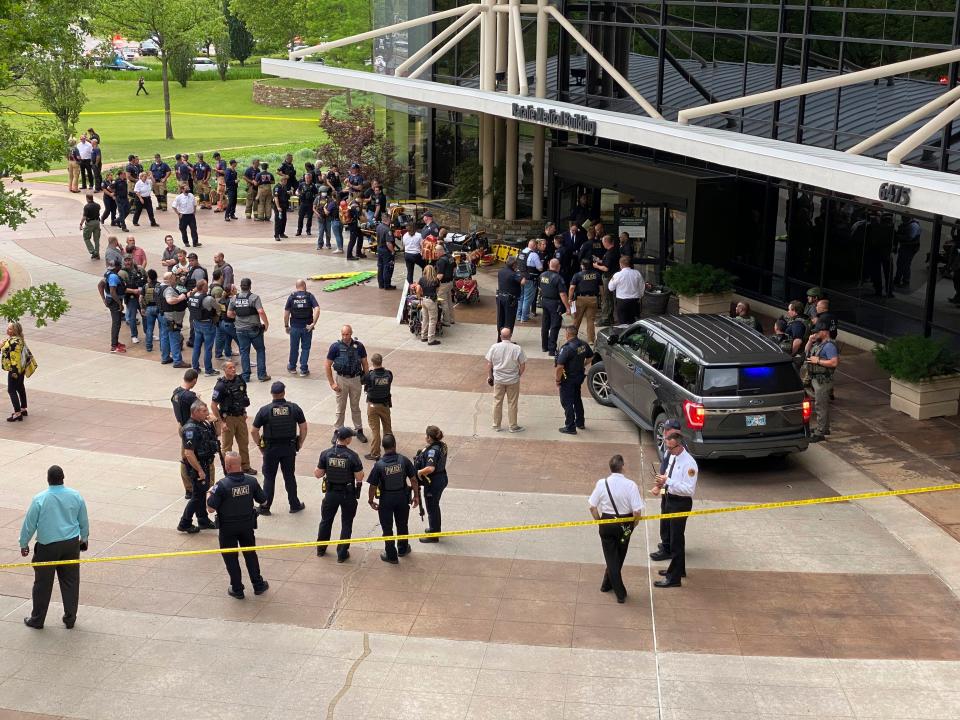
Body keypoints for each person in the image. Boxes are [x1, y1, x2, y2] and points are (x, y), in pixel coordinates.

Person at [19, 466, 89, 629]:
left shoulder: (40, 499)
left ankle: (37, 620)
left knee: (42, 583)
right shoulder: (76, 496)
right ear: (63, 478)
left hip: (47, 547)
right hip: (71, 544)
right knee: (71, 582)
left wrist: (24, 544)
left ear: (48, 479)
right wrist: (84, 538)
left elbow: (29, 525)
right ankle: (70, 619)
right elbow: (83, 520)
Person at [206, 452, 269, 599]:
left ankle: (237, 589)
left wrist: (209, 493)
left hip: (227, 528)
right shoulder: (251, 481)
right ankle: (258, 585)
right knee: (250, 555)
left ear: (227, 467)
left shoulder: (221, 486)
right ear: (239, 464)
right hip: (247, 526)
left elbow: (210, 508)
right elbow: (264, 501)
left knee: (231, 558)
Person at [588, 454, 643, 603]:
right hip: (625, 525)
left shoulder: (601, 483)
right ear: (623, 467)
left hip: (606, 523)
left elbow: (592, 507)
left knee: (611, 556)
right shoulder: (631, 485)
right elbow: (637, 511)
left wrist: (600, 522)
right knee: (619, 555)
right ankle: (620, 592)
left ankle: (606, 584)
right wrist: (633, 525)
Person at [650, 430, 699, 588]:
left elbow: (689, 490)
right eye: (667, 447)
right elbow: (668, 478)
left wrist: (668, 481)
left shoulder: (689, 464)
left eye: (671, 448)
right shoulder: (672, 456)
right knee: (673, 537)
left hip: (680, 503)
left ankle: (674, 578)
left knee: (676, 541)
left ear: (679, 445)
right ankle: (679, 569)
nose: (668, 451)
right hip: (670, 500)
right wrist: (660, 485)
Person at [250, 381, 307, 515]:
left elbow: (253, 431)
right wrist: (300, 442)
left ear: (272, 393)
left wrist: (260, 445)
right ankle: (294, 504)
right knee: (289, 476)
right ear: (284, 393)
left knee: (269, 478)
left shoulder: (265, 410)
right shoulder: (294, 408)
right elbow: (303, 427)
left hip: (271, 449)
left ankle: (265, 507)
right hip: (289, 447)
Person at [367, 434, 419, 564]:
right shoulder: (404, 460)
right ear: (395, 445)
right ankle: (402, 549)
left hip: (386, 499)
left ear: (383, 447)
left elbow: (373, 486)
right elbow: (413, 479)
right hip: (402, 497)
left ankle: (391, 555)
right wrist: (416, 496)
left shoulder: (379, 465)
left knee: (387, 528)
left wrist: (371, 500)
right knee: (402, 524)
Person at [315, 427, 365, 562]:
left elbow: (318, 474)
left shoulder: (326, 453)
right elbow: (359, 477)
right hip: (347, 494)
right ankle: (342, 554)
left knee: (326, 521)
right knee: (347, 523)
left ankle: (321, 549)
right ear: (348, 440)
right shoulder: (352, 456)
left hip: (330, 494)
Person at [178, 400, 220, 533]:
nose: (207, 413)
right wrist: (199, 470)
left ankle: (203, 520)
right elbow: (188, 453)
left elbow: (218, 434)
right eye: (204, 411)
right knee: (197, 496)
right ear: (195, 412)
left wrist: (216, 420)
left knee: (201, 494)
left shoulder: (204, 424)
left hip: (205, 463)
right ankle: (184, 523)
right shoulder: (190, 428)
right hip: (197, 466)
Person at [325, 325, 369, 442]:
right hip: (341, 379)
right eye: (343, 334)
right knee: (340, 407)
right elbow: (327, 365)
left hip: (355, 379)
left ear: (351, 334)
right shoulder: (335, 347)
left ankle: (359, 430)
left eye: (347, 334)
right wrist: (332, 383)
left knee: (355, 406)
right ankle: (337, 430)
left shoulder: (359, 346)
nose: (345, 337)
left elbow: (365, 363)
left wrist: (367, 378)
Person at [228, 278, 271, 383]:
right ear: (250, 286)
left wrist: (238, 317)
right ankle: (261, 375)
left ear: (241, 287)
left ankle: (246, 376)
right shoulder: (254, 298)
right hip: (254, 329)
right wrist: (266, 324)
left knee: (244, 352)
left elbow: (229, 314)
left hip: (240, 330)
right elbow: (260, 311)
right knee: (260, 350)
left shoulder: (234, 299)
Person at [485, 327, 526, 433]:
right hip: (513, 379)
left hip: (498, 379)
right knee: (512, 403)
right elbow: (522, 364)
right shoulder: (517, 348)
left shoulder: (494, 347)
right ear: (511, 336)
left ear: (500, 336)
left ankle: (496, 425)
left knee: (497, 402)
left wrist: (490, 376)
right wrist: (518, 375)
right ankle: (513, 426)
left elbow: (489, 364)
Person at [804, 320, 839, 442]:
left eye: (817, 332)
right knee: (820, 404)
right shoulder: (819, 343)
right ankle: (824, 428)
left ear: (824, 332)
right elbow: (806, 352)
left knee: (821, 406)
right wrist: (809, 340)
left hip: (823, 381)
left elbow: (834, 362)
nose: (815, 334)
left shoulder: (829, 346)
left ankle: (820, 432)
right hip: (816, 379)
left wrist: (818, 361)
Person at [556, 325, 592, 435]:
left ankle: (570, 426)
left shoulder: (566, 348)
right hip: (579, 376)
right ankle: (580, 422)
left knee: (567, 402)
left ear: (567, 334)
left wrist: (558, 380)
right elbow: (590, 357)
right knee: (577, 399)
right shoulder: (583, 344)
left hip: (568, 378)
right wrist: (582, 364)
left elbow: (560, 366)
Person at [415, 426, 448, 543]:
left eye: (426, 435)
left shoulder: (432, 451)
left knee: (432, 507)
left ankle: (433, 535)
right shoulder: (442, 445)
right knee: (435, 505)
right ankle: (435, 529)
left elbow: (430, 468)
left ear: (429, 437)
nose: (425, 436)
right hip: (442, 477)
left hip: (434, 482)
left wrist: (419, 472)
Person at [284, 280, 320, 376]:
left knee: (294, 347)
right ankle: (303, 369)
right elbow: (317, 308)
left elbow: (286, 312)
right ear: (304, 285)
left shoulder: (292, 297)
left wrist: (286, 326)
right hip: (307, 327)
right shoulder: (309, 296)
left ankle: (292, 367)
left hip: (295, 327)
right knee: (305, 348)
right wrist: (313, 323)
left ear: (296, 286)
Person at [362, 352, 393, 461]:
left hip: (373, 405)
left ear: (372, 362)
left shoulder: (370, 375)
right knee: (387, 429)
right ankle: (390, 450)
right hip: (385, 405)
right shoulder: (389, 374)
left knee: (375, 430)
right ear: (381, 361)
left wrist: (369, 371)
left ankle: (375, 453)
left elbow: (363, 381)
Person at [187, 279, 220, 377]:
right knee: (208, 348)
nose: (208, 287)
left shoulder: (192, 297)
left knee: (196, 346)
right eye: (206, 285)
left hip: (196, 324)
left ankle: (195, 367)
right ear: (203, 287)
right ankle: (208, 370)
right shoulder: (208, 299)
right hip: (207, 325)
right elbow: (218, 308)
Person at [2, 321, 34, 421]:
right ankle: (23, 408)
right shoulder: (20, 340)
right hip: (21, 368)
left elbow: (2, 348)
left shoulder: (12, 341)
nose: (8, 330)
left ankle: (17, 413)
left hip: (14, 369)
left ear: (15, 331)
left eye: (10, 329)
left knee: (11, 390)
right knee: (20, 387)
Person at [538, 258, 570, 357]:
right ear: (558, 266)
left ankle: (544, 346)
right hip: (555, 303)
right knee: (555, 326)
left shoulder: (542, 275)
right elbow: (563, 294)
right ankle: (552, 349)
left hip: (544, 301)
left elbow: (540, 288)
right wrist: (567, 307)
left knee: (545, 324)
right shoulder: (558, 278)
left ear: (549, 264)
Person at [160, 271, 190, 368]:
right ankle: (177, 361)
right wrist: (180, 298)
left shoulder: (158, 287)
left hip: (163, 316)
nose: (175, 279)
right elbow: (169, 300)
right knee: (174, 338)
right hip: (171, 318)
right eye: (174, 278)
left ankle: (165, 357)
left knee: (164, 337)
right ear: (170, 279)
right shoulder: (168, 289)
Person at [99, 258, 127, 353]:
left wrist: (103, 298)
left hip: (110, 300)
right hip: (114, 301)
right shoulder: (114, 277)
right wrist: (120, 304)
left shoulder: (108, 274)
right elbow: (112, 291)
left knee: (117, 321)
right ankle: (114, 346)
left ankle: (115, 342)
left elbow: (100, 285)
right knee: (116, 323)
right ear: (117, 267)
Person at [569, 258, 600, 343]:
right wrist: (602, 299)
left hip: (580, 299)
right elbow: (601, 288)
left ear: (582, 266)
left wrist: (570, 299)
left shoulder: (577, 275)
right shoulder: (596, 274)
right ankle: (591, 340)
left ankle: (572, 338)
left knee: (577, 319)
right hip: (593, 299)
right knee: (591, 320)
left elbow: (572, 288)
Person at [608, 256, 645, 325]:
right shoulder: (637, 273)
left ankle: (625, 334)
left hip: (622, 301)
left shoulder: (617, 275)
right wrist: (640, 296)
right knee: (633, 321)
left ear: (621, 264)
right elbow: (642, 286)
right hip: (634, 300)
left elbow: (610, 288)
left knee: (623, 322)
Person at [496, 256, 525, 340]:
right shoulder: (513, 274)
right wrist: (520, 273)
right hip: (510, 300)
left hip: (500, 297)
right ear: (514, 264)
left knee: (500, 318)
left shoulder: (501, 271)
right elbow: (523, 282)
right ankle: (506, 339)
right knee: (509, 320)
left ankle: (500, 338)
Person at [594, 235, 619, 326]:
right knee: (609, 299)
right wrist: (600, 260)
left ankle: (606, 319)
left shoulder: (609, 253)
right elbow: (609, 263)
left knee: (606, 298)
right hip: (612, 276)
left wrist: (597, 266)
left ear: (606, 242)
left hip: (608, 278)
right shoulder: (614, 251)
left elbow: (606, 268)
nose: (602, 244)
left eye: (603, 242)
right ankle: (610, 317)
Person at [517, 239, 543, 323]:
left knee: (521, 297)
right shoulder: (534, 255)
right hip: (529, 279)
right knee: (527, 299)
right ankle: (524, 317)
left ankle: (519, 316)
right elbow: (540, 268)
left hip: (520, 278)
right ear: (535, 246)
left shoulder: (521, 252)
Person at [416, 264, 441, 346]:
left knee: (425, 319)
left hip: (424, 300)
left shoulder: (422, 279)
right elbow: (437, 291)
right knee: (432, 320)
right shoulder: (436, 280)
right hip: (431, 300)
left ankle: (423, 336)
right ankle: (430, 339)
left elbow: (418, 289)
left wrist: (419, 297)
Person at [141, 269, 162, 353]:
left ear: (149, 277)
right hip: (159, 308)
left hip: (149, 308)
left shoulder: (145, 286)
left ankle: (149, 347)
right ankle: (162, 346)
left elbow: (141, 298)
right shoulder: (159, 285)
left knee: (149, 328)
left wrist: (142, 308)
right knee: (161, 328)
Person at [435, 239, 455, 325]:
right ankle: (452, 319)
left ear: (440, 251)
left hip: (443, 284)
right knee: (449, 302)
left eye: (436, 252)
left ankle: (446, 321)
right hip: (450, 282)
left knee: (443, 302)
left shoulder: (441, 261)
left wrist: (433, 282)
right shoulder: (450, 257)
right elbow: (454, 268)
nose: (435, 254)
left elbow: (440, 276)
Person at [375, 212, 397, 290]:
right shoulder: (388, 230)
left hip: (380, 249)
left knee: (380, 267)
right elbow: (388, 243)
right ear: (388, 219)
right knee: (387, 267)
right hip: (386, 251)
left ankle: (381, 284)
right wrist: (393, 251)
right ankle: (387, 285)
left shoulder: (379, 227)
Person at [80, 193, 102, 260]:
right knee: (96, 239)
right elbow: (99, 209)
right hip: (97, 222)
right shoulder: (97, 205)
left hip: (90, 223)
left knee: (86, 237)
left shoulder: (87, 206)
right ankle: (97, 254)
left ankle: (93, 251)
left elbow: (84, 217)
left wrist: (81, 224)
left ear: (87, 198)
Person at [296, 172, 318, 236]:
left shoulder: (313, 185)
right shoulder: (301, 184)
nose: (307, 179)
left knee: (309, 218)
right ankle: (299, 231)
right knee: (300, 217)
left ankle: (308, 230)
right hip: (303, 203)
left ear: (310, 178)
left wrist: (315, 202)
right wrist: (298, 193)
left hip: (310, 203)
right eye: (306, 178)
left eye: (308, 178)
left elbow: (316, 194)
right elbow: (297, 191)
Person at [272, 174, 290, 241]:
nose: (286, 182)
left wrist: (288, 192)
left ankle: (282, 233)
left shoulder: (284, 187)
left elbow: (284, 193)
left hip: (284, 206)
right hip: (278, 206)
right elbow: (276, 198)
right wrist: (278, 207)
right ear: (282, 180)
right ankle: (276, 235)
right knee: (278, 221)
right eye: (285, 181)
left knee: (284, 220)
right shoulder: (277, 187)